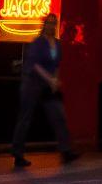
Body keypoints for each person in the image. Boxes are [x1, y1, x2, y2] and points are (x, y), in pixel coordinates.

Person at [12, 13, 78, 168]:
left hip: (47, 85)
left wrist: (55, 80)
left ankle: (66, 151)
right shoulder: (38, 43)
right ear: (44, 25)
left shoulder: (57, 44)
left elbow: (56, 66)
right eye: (49, 23)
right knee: (25, 118)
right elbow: (35, 65)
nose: (51, 26)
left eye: (54, 23)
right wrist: (50, 79)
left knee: (58, 115)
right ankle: (17, 153)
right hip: (32, 84)